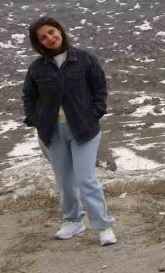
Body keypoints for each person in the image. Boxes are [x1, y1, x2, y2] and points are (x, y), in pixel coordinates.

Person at [22, 16, 117, 246]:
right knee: (65, 181)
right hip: (52, 133)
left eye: (52, 32)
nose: (50, 38)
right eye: (43, 37)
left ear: (61, 31)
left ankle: (103, 226)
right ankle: (73, 221)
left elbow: (99, 88)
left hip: (83, 129)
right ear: (39, 43)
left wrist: (95, 113)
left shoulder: (83, 59)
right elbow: (29, 97)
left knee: (86, 179)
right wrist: (36, 120)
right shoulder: (37, 68)